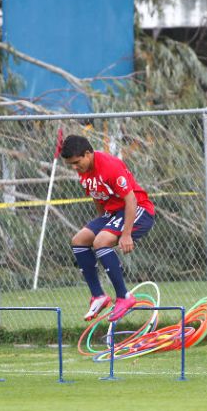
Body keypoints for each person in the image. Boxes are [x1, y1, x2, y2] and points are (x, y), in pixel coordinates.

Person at [61, 134, 155, 323]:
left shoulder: (111, 166)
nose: (75, 167)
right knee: (79, 240)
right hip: (113, 213)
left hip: (138, 209)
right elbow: (98, 196)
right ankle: (99, 296)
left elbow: (131, 199)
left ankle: (125, 297)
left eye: (77, 162)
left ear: (88, 154)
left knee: (101, 241)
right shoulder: (84, 170)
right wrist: (102, 222)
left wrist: (126, 234)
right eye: (71, 164)